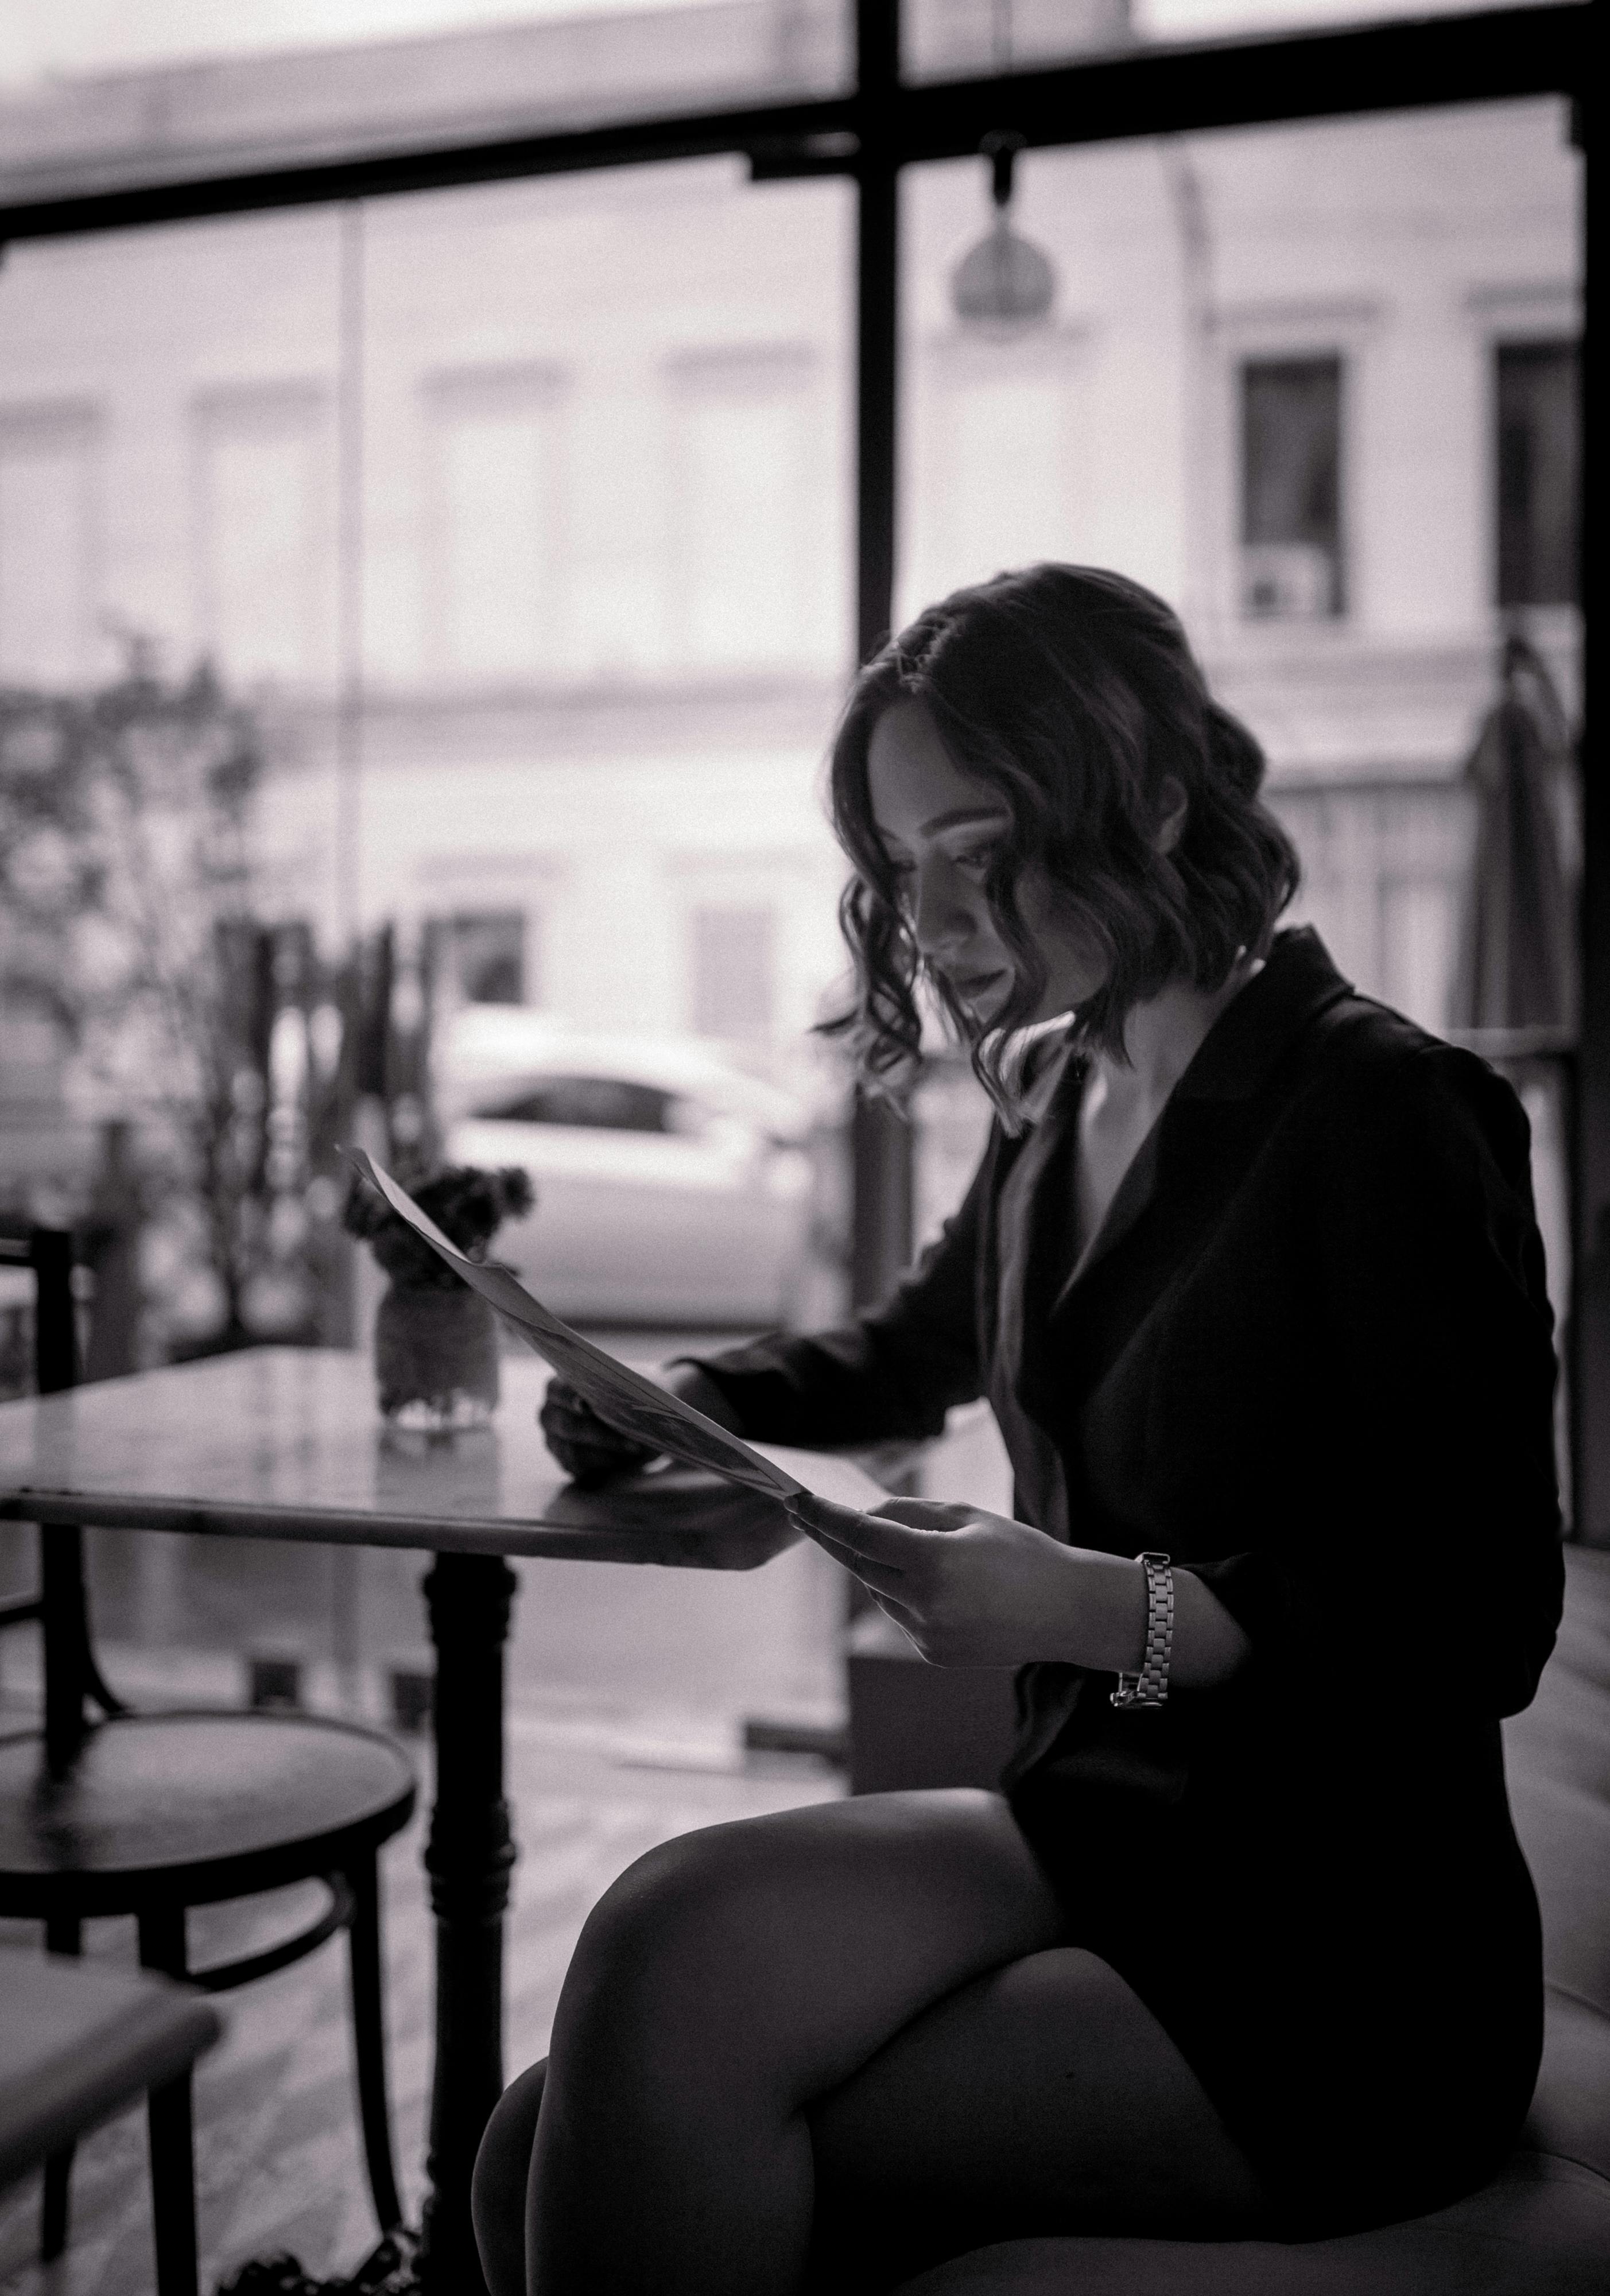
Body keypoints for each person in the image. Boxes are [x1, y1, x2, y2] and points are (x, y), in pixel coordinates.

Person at [471, 565, 1565, 2296]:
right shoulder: (1064, 1090)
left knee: (626, 2108)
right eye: (904, 866)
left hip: (1343, 1948)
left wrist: (1084, 1608)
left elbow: (1481, 1612)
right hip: (1100, 1825)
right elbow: (919, 1346)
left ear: (1145, 796)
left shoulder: (1381, 1108)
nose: (938, 914)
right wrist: (696, 1407)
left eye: (979, 847)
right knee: (602, 2029)